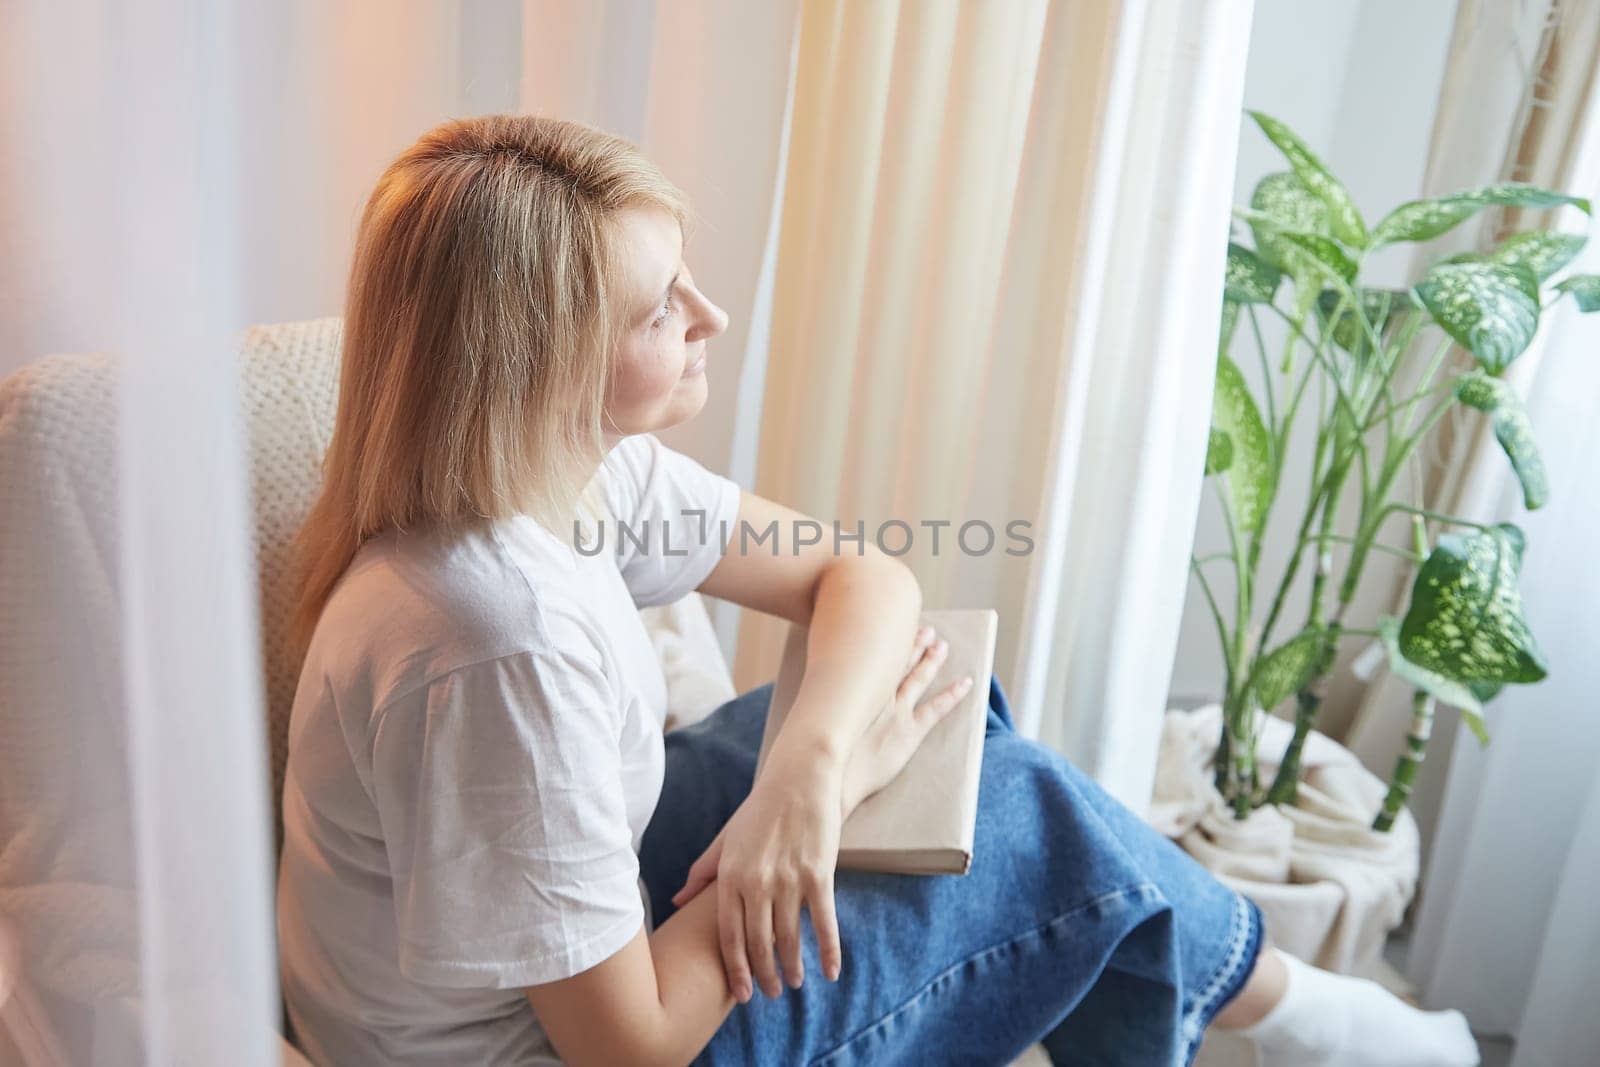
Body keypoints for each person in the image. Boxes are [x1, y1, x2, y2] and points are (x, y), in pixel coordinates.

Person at [275, 113, 1481, 1067]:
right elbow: (628, 1047)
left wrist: (800, 781)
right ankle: (1300, 1012)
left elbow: (860, 571)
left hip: (589, 921)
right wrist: (835, 780)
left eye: (686, 275)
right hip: (564, 1037)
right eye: (661, 308)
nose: (714, 315)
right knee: (1034, 824)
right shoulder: (498, 639)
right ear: (537, 367)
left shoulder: (567, 474)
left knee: (948, 705)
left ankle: (1279, 1008)